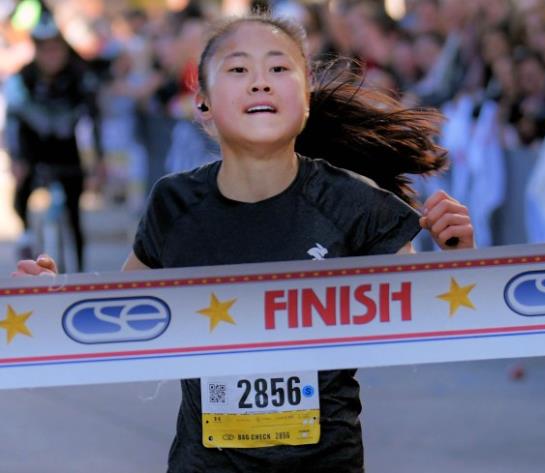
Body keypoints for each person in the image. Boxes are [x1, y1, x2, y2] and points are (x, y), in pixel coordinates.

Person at [13, 14, 474, 473]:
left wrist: (458, 258)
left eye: (278, 69)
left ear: (306, 97)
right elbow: (123, 323)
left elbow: (427, 321)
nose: (260, 83)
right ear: (204, 104)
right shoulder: (174, 204)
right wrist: (54, 303)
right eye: (238, 70)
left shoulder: (354, 202)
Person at [4, 12, 104, 271]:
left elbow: (92, 123)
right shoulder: (22, 79)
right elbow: (13, 122)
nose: (51, 57)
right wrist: (16, 159)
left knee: (74, 214)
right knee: (21, 194)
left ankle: (79, 271)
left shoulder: (80, 76)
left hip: (68, 151)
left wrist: (97, 163)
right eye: (45, 51)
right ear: (36, 52)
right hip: (33, 150)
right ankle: (26, 237)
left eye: (55, 50)